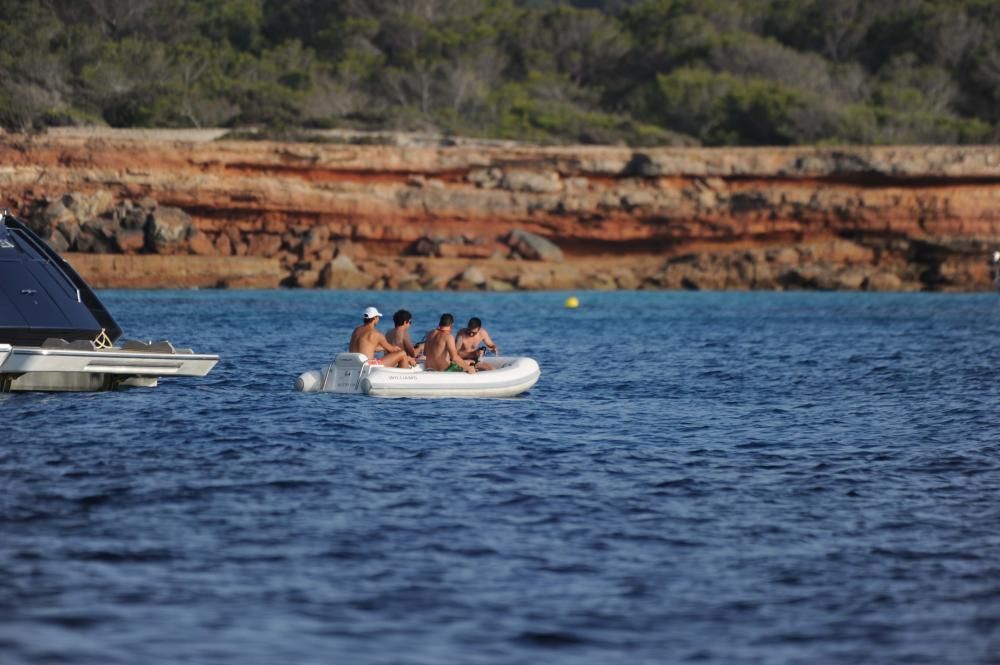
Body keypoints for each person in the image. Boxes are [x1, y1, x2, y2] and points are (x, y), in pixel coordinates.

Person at [348, 306, 415, 368]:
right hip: (368, 364)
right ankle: (403, 378)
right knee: (402, 354)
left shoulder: (356, 330)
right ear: (374, 318)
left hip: (354, 363)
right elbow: (392, 349)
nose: (378, 319)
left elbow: (366, 346)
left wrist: (383, 348)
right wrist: (407, 356)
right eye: (378, 317)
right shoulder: (376, 333)